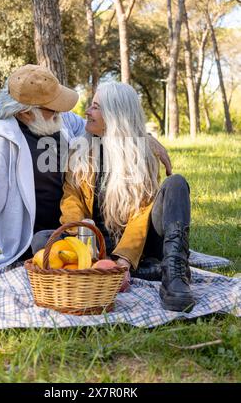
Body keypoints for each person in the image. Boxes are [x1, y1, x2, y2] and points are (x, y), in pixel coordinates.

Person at [0, 65, 171, 282]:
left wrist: (145, 140)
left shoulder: (57, 121)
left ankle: (112, 264)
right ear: (26, 113)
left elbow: (108, 123)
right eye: (54, 107)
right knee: (43, 242)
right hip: (44, 239)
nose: (62, 110)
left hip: (82, 226)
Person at [59, 82, 195, 312]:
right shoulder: (79, 150)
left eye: (95, 107)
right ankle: (139, 270)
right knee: (41, 241)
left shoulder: (142, 155)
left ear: (115, 115)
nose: (87, 112)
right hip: (98, 247)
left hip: (140, 247)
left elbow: (142, 213)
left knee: (176, 184)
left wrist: (123, 260)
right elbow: (70, 197)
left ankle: (173, 274)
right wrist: (81, 237)